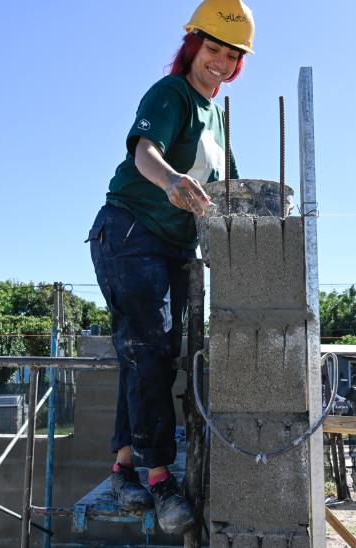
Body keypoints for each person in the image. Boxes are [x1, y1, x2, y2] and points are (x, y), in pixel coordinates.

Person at [86, 0, 255, 535]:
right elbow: (144, 154)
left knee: (149, 354)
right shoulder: (171, 93)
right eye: (213, 49)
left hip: (175, 247)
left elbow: (232, 189)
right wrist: (172, 182)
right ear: (193, 47)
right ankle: (159, 480)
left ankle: (124, 468)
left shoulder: (218, 117)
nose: (221, 62)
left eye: (232, 56)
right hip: (131, 230)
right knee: (150, 348)